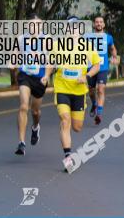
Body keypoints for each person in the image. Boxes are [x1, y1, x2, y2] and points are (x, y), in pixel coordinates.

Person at [43, 17, 101, 172]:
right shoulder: (57, 46)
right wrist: (47, 76)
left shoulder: (87, 46)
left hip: (79, 91)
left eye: (75, 28)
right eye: (70, 28)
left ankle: (66, 127)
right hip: (62, 88)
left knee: (77, 127)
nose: (73, 31)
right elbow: (50, 63)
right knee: (65, 119)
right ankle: (68, 157)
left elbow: (97, 65)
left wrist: (87, 76)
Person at [15, 15, 46, 155]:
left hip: (40, 79)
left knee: (35, 111)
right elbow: (15, 54)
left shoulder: (47, 40)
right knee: (23, 106)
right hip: (25, 75)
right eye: (31, 25)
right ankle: (21, 143)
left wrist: (46, 75)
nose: (34, 28)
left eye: (37, 25)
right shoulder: (21, 39)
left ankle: (35, 127)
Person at [87, 15, 117, 126]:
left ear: (103, 24)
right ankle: (94, 103)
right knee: (91, 90)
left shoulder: (108, 37)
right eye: (97, 22)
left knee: (100, 90)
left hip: (103, 68)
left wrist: (115, 57)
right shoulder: (87, 37)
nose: (99, 24)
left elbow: (113, 48)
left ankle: (99, 114)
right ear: (94, 24)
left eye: (101, 22)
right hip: (90, 68)